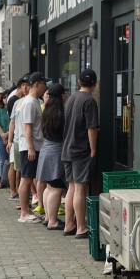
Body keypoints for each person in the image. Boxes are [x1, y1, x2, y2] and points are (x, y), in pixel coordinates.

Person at [61, 69, 99, 238]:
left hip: (67, 148)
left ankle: (69, 224)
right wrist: (93, 149)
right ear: (95, 84)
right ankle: (81, 227)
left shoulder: (70, 99)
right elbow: (92, 129)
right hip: (80, 150)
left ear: (79, 82)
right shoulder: (89, 101)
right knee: (80, 189)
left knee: (71, 187)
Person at [17, 72, 50, 223]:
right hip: (30, 146)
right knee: (26, 179)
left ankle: (27, 210)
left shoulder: (33, 101)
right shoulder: (30, 102)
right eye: (44, 84)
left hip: (34, 145)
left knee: (29, 178)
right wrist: (31, 148)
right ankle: (24, 212)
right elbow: (27, 127)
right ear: (36, 84)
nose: (46, 87)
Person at [35, 84, 68, 230]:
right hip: (56, 151)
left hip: (46, 150)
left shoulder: (46, 111)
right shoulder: (61, 113)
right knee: (56, 188)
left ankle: (48, 217)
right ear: (61, 96)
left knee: (49, 187)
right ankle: (53, 221)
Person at [6, 74, 30, 200]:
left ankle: (23, 195)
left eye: (28, 85)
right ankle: (14, 192)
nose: (25, 88)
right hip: (17, 140)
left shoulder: (37, 101)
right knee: (15, 166)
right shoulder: (16, 102)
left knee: (24, 171)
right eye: (23, 86)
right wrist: (9, 141)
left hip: (29, 141)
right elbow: (12, 122)